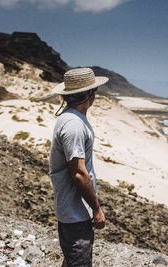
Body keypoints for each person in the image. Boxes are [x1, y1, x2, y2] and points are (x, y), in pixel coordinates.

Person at [49, 67, 108, 267]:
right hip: (75, 212)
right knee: (79, 262)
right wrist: (97, 209)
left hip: (73, 209)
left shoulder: (69, 119)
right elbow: (79, 174)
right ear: (89, 94)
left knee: (72, 260)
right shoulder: (74, 125)